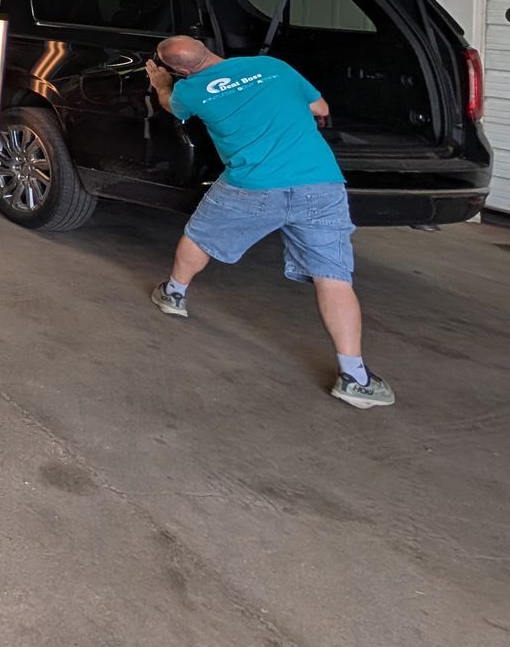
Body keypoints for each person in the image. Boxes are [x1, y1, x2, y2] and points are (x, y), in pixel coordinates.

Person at [143, 35, 394, 409]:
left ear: (180, 71)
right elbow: (320, 106)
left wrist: (161, 84)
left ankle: (174, 294)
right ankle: (355, 377)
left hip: (251, 186)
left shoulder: (190, 91)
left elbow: (169, 106)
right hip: (319, 182)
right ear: (205, 48)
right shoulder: (273, 67)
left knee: (201, 236)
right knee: (333, 275)